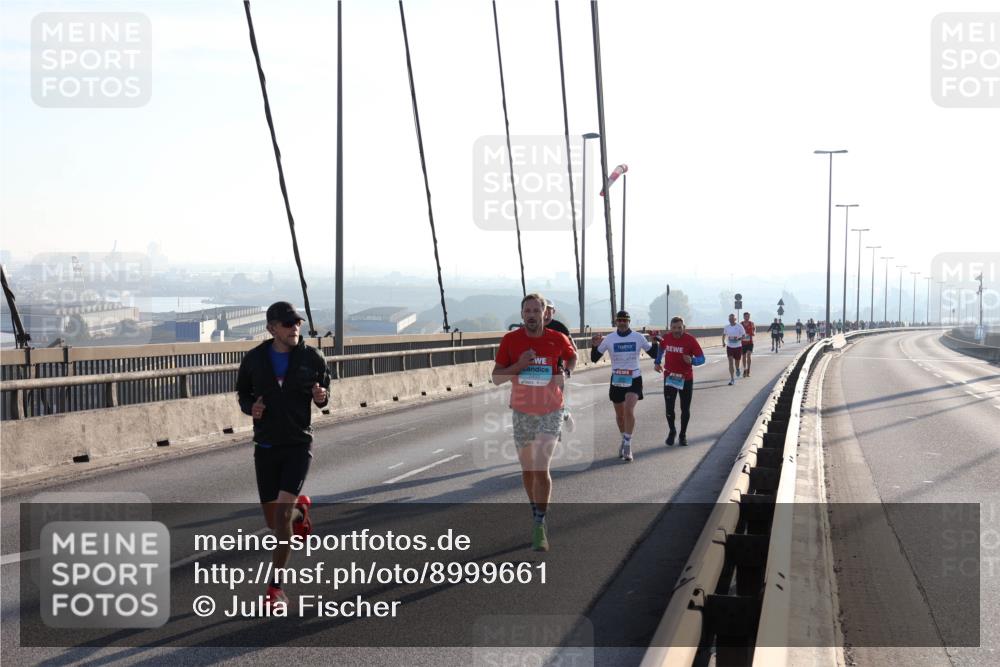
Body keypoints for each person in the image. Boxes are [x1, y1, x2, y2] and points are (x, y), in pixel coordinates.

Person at [236, 301, 331, 608]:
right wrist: (251, 408)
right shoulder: (254, 359)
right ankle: (301, 512)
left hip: (298, 444)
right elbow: (243, 394)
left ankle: (275, 587)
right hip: (266, 446)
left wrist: (321, 397)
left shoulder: (312, 357)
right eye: (288, 324)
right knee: (273, 521)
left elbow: (324, 395)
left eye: (297, 323)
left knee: (280, 517)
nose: (295, 328)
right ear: (271, 328)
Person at [493, 293, 577, 551]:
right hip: (522, 411)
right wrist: (519, 364)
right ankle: (536, 511)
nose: (531, 315)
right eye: (527, 311)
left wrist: (566, 371)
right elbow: (496, 378)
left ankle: (539, 524)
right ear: (522, 314)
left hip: (551, 409)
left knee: (541, 467)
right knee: (528, 470)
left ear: (544, 313)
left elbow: (572, 356)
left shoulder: (557, 338)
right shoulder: (510, 340)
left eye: (536, 311)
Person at [589, 310, 658, 462]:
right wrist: (594, 345)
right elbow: (594, 359)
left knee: (628, 409)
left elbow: (653, 354)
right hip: (617, 379)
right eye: (619, 320)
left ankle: (627, 444)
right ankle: (624, 438)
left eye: (625, 320)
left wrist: (654, 342)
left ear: (629, 322)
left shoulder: (638, 337)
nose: (622, 323)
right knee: (620, 416)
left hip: (634, 378)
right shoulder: (609, 339)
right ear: (616, 322)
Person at [654, 316, 706, 447]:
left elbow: (702, 358)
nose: (677, 330)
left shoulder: (690, 340)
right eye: (674, 328)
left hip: (686, 378)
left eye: (679, 328)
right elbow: (661, 348)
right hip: (670, 377)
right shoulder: (666, 338)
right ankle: (672, 431)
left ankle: (683, 435)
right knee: (669, 408)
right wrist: (657, 361)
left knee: (685, 408)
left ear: (684, 327)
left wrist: (693, 360)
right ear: (670, 328)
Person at [544, 299, 576, 431]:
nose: (546, 312)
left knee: (554, 404)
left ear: (554, 311)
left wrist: (567, 372)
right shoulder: (531, 326)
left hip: (556, 372)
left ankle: (561, 420)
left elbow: (573, 351)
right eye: (543, 309)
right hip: (536, 372)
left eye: (549, 310)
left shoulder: (560, 328)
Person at [722, 313, 745, 385]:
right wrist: (723, 342)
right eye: (730, 319)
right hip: (730, 347)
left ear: (735, 319)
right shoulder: (727, 327)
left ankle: (737, 369)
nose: (731, 320)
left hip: (738, 347)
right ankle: (732, 379)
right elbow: (724, 335)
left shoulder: (739, 326)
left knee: (737, 362)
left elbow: (744, 336)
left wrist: (738, 339)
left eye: (732, 318)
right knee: (730, 362)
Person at [740, 312, 755, 377]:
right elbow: (739, 332)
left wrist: (753, 333)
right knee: (743, 356)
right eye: (746, 316)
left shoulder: (751, 323)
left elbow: (754, 330)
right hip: (743, 343)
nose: (747, 317)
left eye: (748, 316)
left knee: (748, 355)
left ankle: (748, 369)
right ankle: (745, 369)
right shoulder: (741, 324)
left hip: (750, 343)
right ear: (744, 317)